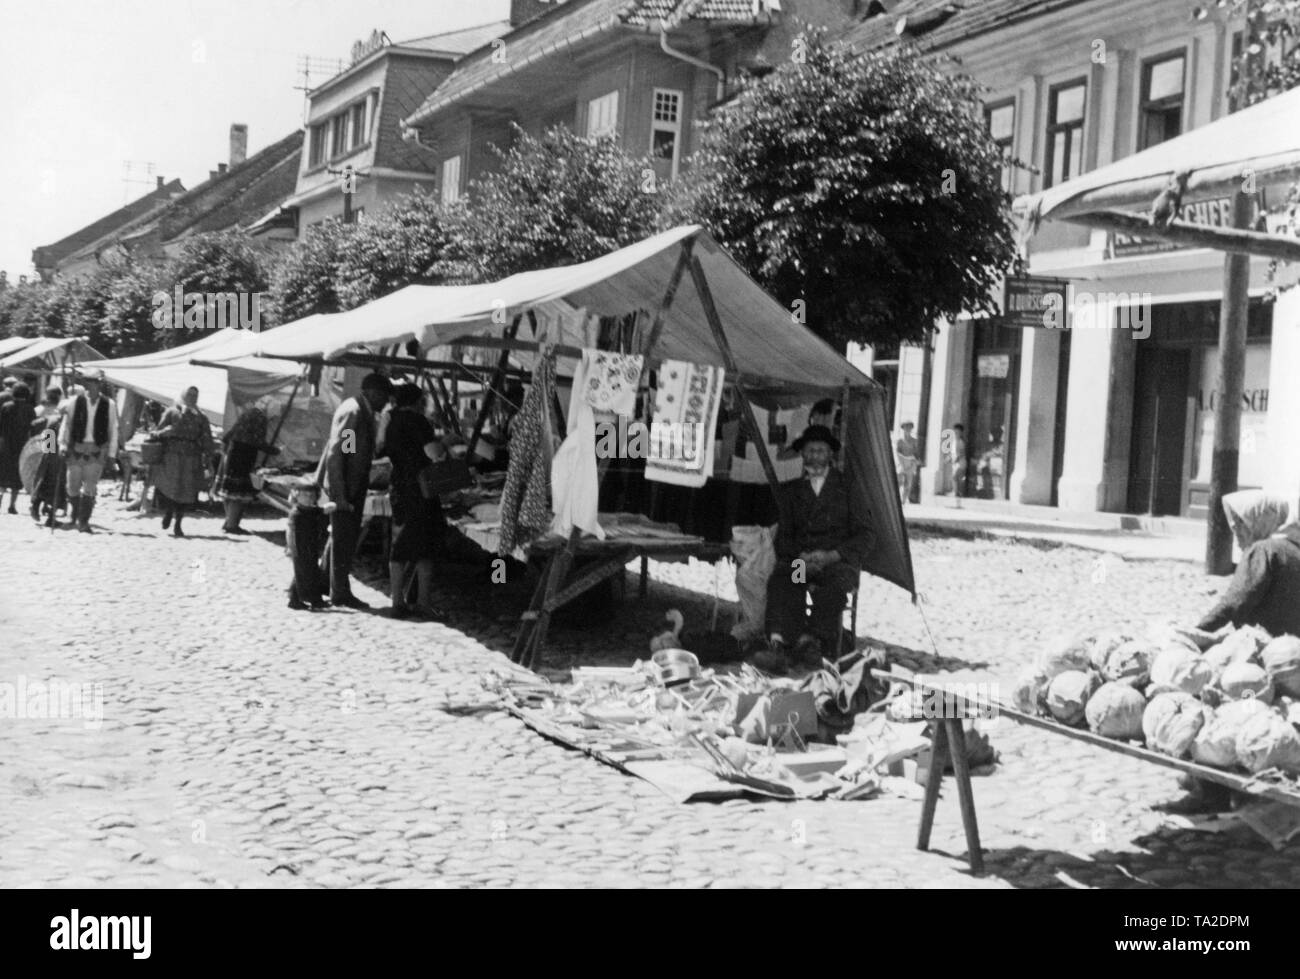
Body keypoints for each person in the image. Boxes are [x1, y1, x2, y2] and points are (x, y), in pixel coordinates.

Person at [750, 425, 874, 675]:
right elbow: (785, 536)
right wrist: (801, 557)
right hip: (802, 562)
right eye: (810, 451)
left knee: (833, 590)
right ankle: (780, 644)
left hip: (836, 562)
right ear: (803, 455)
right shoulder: (794, 492)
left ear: (830, 455)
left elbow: (866, 534)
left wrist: (832, 555)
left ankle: (811, 642)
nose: (815, 457)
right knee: (785, 581)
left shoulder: (848, 487)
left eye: (820, 451)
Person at [317, 372, 393, 609]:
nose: (385, 403)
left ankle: (323, 583)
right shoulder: (355, 412)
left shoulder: (358, 409)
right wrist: (340, 495)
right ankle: (339, 592)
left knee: (340, 538)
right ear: (373, 392)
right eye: (384, 397)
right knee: (343, 541)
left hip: (352, 485)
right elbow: (340, 453)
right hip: (347, 488)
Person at [379, 382, 448, 619]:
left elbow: (381, 449)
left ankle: (397, 601)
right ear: (419, 401)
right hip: (420, 488)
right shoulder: (419, 421)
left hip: (398, 484)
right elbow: (433, 453)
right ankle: (422, 603)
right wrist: (444, 445)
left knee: (400, 544)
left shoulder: (389, 419)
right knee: (425, 546)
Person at [1197, 516, 1300, 639]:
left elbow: (1234, 604)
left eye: (1241, 523)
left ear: (1259, 521)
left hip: (1268, 647)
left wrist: (1199, 630)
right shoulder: (1293, 549)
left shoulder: (1263, 550)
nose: (1236, 531)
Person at [59, 369, 118, 533]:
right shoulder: (74, 402)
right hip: (75, 448)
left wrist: (112, 454)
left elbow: (113, 429)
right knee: (72, 487)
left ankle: (83, 521)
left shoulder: (109, 404)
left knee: (90, 487)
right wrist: (61, 446)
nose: (94, 385)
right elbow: (66, 425)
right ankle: (74, 512)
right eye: (91, 382)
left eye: (97, 382)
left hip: (96, 449)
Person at [153, 386, 214, 538]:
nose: (193, 398)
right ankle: (168, 512)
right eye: (190, 395)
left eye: (195, 395)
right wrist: (165, 432)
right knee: (172, 487)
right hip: (172, 455)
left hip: (191, 457)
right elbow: (155, 432)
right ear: (184, 396)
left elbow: (207, 438)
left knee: (185, 491)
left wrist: (209, 456)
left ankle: (178, 523)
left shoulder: (201, 417)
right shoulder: (172, 412)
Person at [219, 400, 280, 534]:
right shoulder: (260, 418)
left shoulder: (248, 413)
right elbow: (258, 441)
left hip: (234, 452)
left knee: (230, 490)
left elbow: (230, 433)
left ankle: (228, 521)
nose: (272, 419)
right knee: (238, 492)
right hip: (244, 456)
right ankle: (232, 525)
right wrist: (275, 451)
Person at [29, 388, 66, 526]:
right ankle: (48, 514)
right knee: (53, 486)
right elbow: (48, 442)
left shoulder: (56, 420)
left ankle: (44, 511)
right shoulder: (55, 421)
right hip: (54, 459)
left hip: (53, 458)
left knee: (48, 486)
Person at [0, 381, 35, 514]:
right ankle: (12, 505)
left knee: (2, 473)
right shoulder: (30, 409)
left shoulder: (6, 406)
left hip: (5, 444)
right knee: (16, 476)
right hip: (21, 445)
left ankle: (0, 497)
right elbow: (32, 429)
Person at [895, 421, 920, 505]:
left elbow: (916, 452)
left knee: (908, 483)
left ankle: (903, 501)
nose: (908, 430)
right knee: (899, 481)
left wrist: (916, 461)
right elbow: (897, 452)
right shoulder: (900, 441)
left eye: (909, 428)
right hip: (901, 461)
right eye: (906, 428)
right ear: (903, 429)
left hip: (910, 462)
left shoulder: (914, 441)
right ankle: (896, 498)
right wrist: (901, 461)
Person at [948, 423, 968, 498]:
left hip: (960, 462)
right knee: (956, 478)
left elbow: (961, 453)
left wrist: (956, 459)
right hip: (955, 462)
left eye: (958, 432)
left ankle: (957, 492)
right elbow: (952, 452)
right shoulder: (953, 441)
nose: (956, 433)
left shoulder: (961, 442)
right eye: (955, 432)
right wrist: (949, 458)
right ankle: (957, 492)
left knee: (955, 476)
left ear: (961, 433)